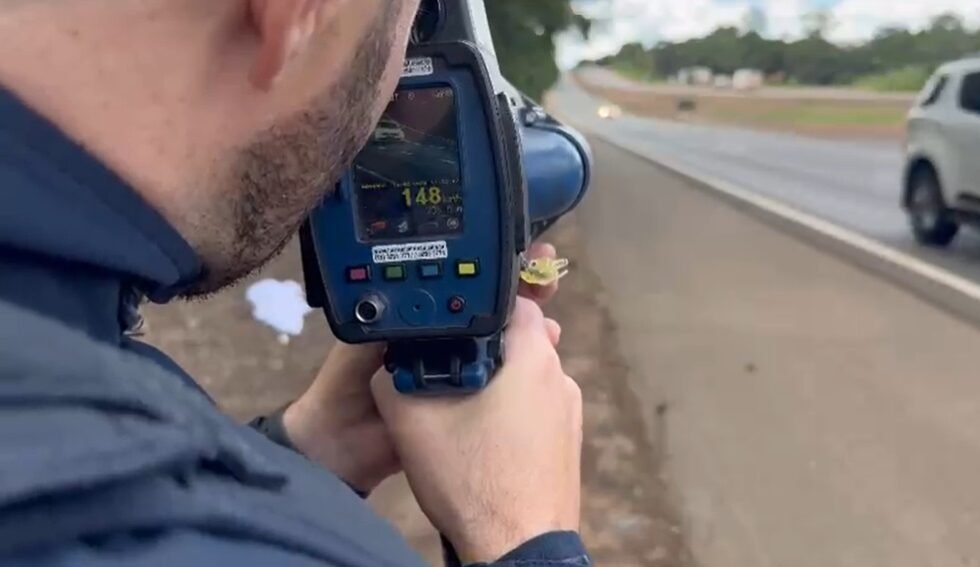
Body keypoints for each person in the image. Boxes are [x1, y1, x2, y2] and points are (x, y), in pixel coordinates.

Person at [0, 1, 588, 565]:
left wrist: (311, 451)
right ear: (296, 12)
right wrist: (525, 543)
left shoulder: (60, 326)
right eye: (403, 25)